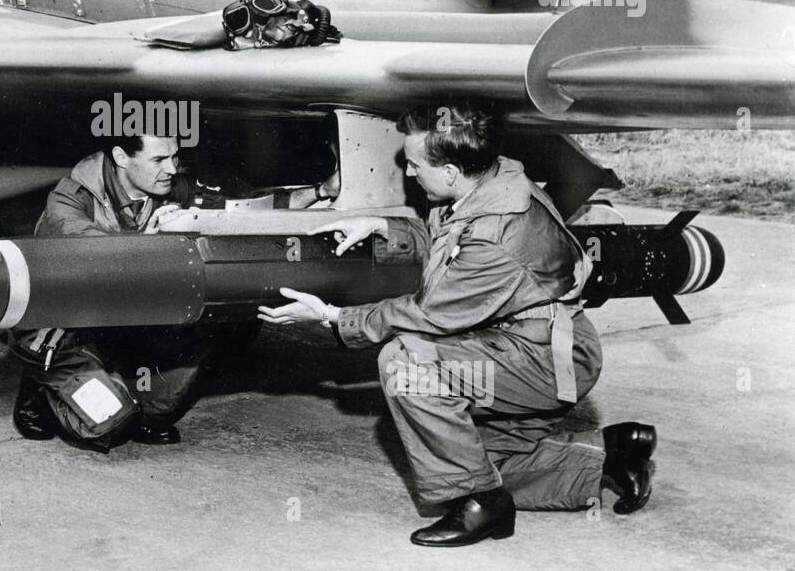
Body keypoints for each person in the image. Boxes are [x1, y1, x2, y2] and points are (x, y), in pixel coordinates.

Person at [257, 104, 657, 546]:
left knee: (407, 366)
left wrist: (333, 317)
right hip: (519, 343)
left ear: (449, 171)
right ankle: (612, 456)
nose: (408, 173)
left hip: (545, 360)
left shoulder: (497, 231)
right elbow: (450, 242)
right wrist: (378, 224)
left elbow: (428, 312)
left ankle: (480, 506)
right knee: (479, 460)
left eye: (414, 164)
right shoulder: (493, 183)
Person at [8, 131, 215, 452]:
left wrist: (315, 193)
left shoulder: (169, 186)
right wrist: (149, 240)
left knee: (158, 414)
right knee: (113, 426)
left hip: (124, 320)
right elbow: (94, 255)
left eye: (175, 157)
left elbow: (241, 204)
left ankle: (118, 384)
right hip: (64, 329)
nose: (173, 169)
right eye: (159, 159)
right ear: (121, 158)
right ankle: (41, 387)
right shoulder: (70, 200)